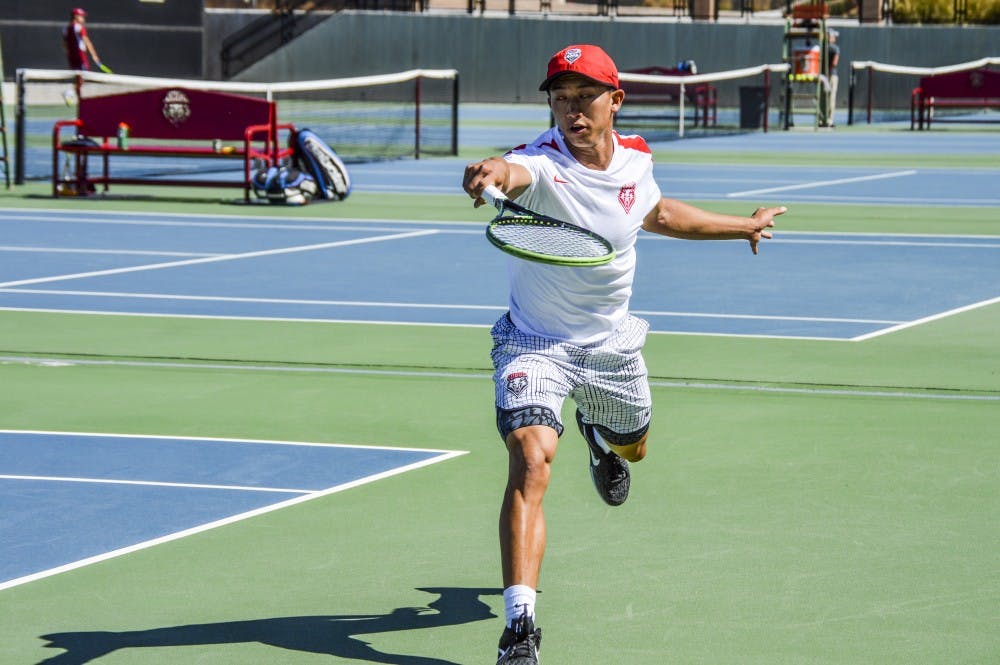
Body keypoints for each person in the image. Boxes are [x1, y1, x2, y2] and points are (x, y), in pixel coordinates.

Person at [462, 44, 787, 665]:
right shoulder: (541, 162)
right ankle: (520, 627)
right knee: (531, 459)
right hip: (535, 341)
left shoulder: (635, 158)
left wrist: (740, 226)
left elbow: (655, 212)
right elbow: (509, 171)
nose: (571, 110)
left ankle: (600, 438)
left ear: (616, 100)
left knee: (634, 444)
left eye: (584, 97)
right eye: (560, 98)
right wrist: (488, 174)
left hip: (611, 342)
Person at [62, 7, 104, 72]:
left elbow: (65, 45)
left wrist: (69, 55)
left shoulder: (65, 29)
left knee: (77, 76)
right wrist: (94, 56)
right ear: (76, 16)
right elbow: (87, 42)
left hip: (71, 57)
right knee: (84, 75)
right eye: (81, 16)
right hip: (80, 56)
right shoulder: (80, 27)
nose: (83, 18)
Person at [823, 29, 841, 127]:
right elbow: (834, 63)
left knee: (824, 97)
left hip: (823, 76)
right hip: (832, 75)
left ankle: (822, 119)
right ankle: (830, 120)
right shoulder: (836, 49)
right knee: (831, 98)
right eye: (833, 37)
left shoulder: (822, 48)